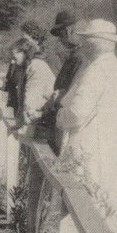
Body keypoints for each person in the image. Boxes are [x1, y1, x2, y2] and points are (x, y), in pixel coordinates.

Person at [56, 19, 117, 233]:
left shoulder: (97, 70)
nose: (83, 45)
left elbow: (77, 113)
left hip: (89, 147)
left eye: (86, 40)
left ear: (93, 43)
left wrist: (60, 117)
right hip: (109, 148)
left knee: (82, 207)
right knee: (103, 203)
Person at [42, 10, 84, 152]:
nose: (60, 40)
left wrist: (54, 100)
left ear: (69, 30)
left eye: (61, 35)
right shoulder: (75, 55)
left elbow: (72, 91)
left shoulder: (80, 57)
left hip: (67, 122)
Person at [6, 37, 56, 136]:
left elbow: (31, 97)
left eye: (14, 58)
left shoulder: (36, 67)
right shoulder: (27, 67)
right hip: (40, 115)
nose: (12, 61)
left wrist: (25, 126)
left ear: (25, 53)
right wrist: (20, 123)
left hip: (47, 116)